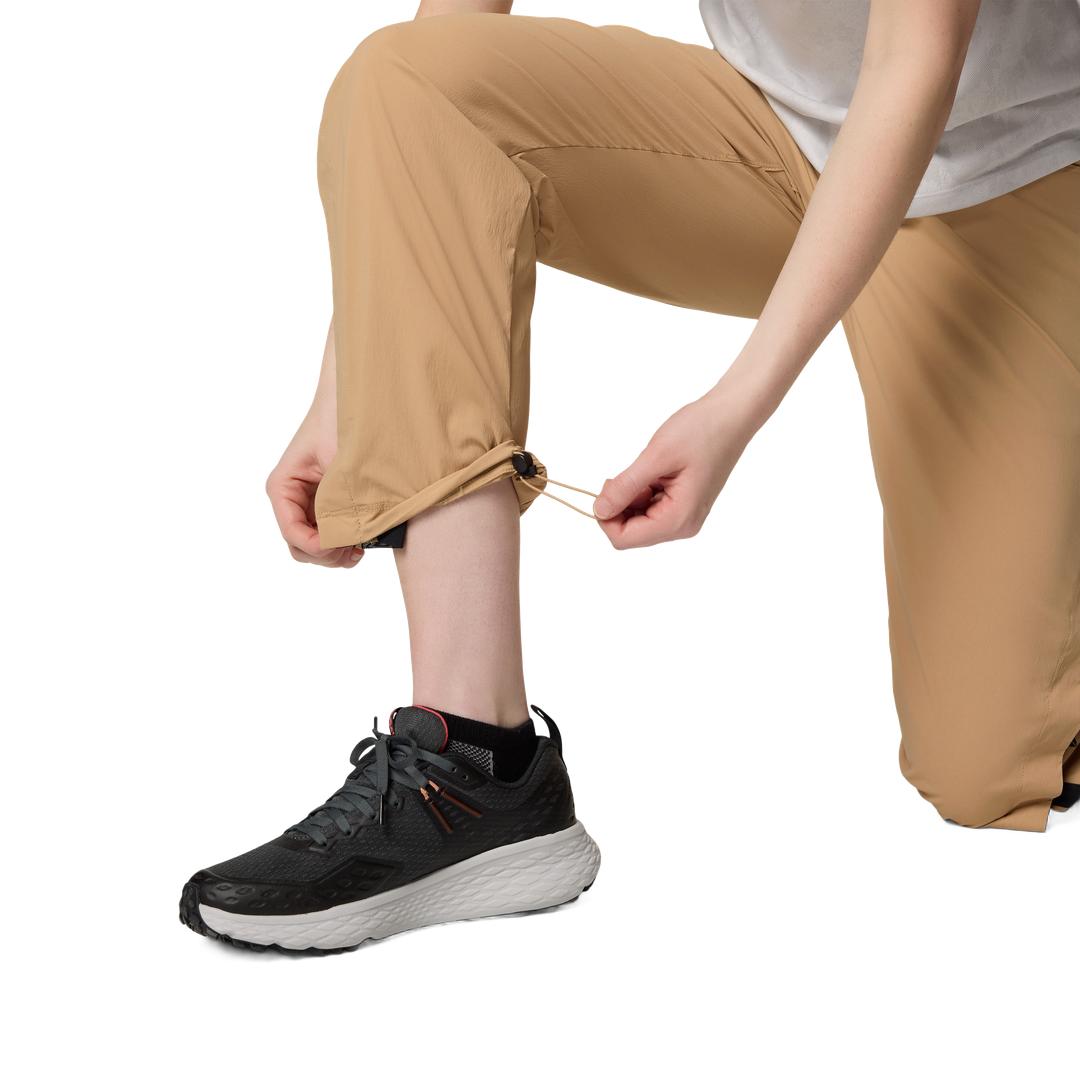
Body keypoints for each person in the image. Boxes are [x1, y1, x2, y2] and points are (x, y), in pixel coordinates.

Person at [179, 0, 1080, 953]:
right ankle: (475, 765)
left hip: (1012, 174)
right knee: (407, 81)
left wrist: (733, 408)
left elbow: (915, 65)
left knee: (985, 767)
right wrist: (348, 384)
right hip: (780, 142)